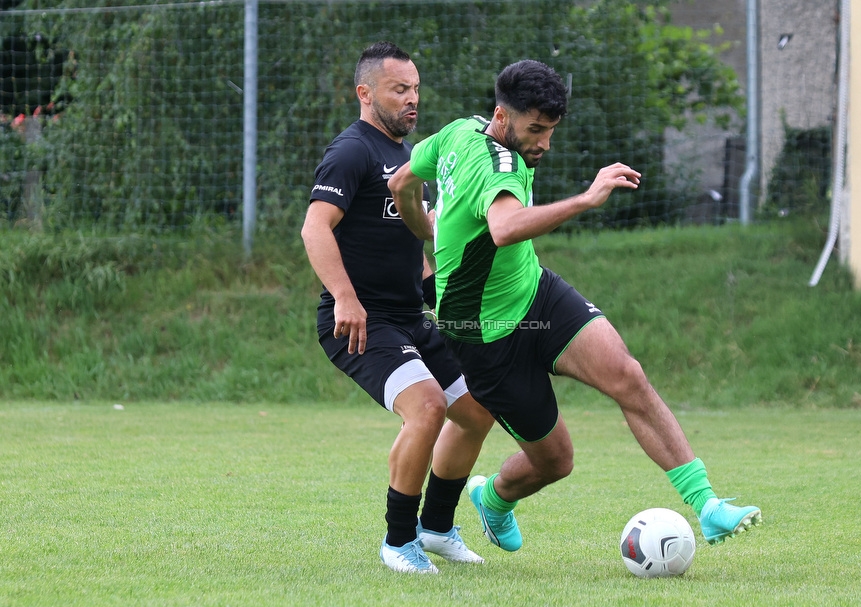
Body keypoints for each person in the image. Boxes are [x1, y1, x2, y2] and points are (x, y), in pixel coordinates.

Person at [388, 59, 761, 553]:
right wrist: (587, 199)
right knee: (555, 462)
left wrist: (426, 231)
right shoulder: (498, 164)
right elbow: (504, 228)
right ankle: (493, 499)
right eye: (535, 129)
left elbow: (401, 183)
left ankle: (709, 507)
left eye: (551, 130)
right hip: (484, 336)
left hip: (535, 293)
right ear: (502, 116)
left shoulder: (458, 132)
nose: (543, 142)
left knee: (628, 375)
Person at [301, 42, 496, 574]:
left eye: (415, 90)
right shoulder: (352, 151)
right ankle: (398, 541)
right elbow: (315, 227)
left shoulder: (410, 158)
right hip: (359, 323)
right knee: (429, 407)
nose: (412, 100)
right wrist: (345, 297)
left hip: (411, 318)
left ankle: (435, 528)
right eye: (399, 90)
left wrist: (444, 300)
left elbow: (417, 245)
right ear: (365, 94)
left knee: (477, 411)